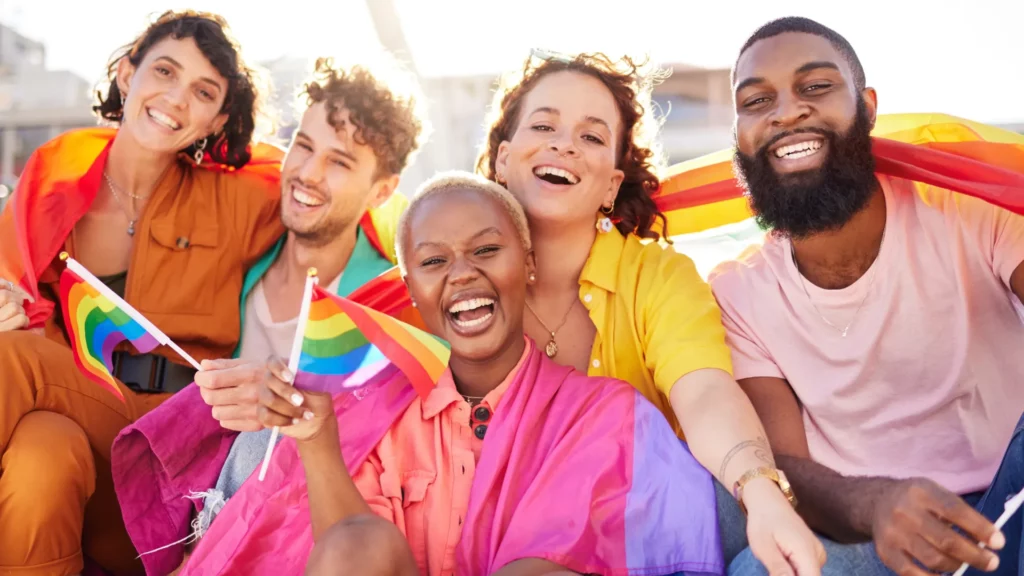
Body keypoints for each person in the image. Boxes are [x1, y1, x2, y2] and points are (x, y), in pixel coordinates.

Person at [174, 171, 726, 576]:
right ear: (411, 289)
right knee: (357, 545)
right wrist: (318, 440)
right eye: (434, 262)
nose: (463, 274)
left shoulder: (602, 414)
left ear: (529, 263)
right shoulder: (370, 405)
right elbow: (350, 556)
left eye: (487, 249)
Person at [475, 50, 823, 574]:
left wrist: (762, 491)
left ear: (612, 185)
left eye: (591, 137)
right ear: (503, 158)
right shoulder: (458, 282)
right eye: (544, 124)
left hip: (650, 536)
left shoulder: (657, 277)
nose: (564, 144)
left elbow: (704, 391)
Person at [708, 16, 1024, 576]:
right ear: (738, 135)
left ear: (868, 107)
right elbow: (783, 465)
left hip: (1011, 497)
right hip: (872, 529)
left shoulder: (968, 211)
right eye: (757, 100)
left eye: (816, 87)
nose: (786, 111)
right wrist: (875, 504)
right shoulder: (738, 290)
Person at [112, 56, 427, 576]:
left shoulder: (385, 310)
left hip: (307, 538)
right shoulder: (237, 263)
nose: (307, 174)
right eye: (303, 147)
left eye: (339, 162)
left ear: (382, 191)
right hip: (187, 517)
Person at [0, 10, 284, 575]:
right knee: (41, 453)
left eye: (202, 91)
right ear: (129, 75)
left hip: (175, 447)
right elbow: (12, 284)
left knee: (15, 363)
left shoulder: (246, 200)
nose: (176, 98)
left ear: (216, 119)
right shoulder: (52, 186)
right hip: (83, 427)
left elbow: (330, 195)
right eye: (163, 71)